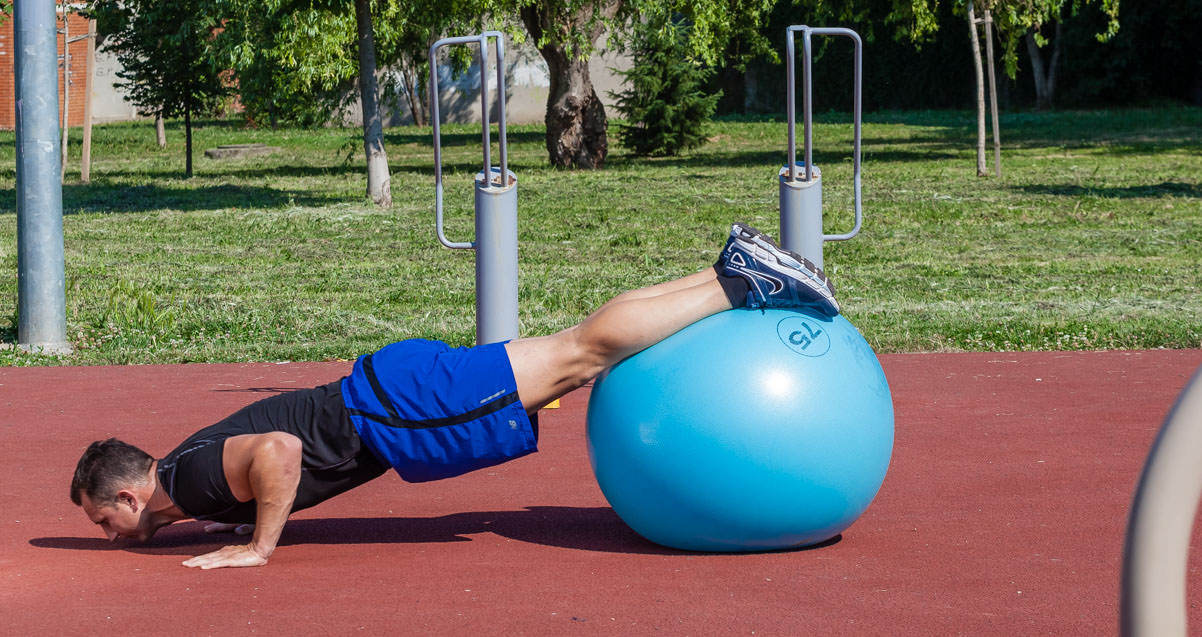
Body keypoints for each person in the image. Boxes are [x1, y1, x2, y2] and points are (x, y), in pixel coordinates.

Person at [71, 223, 837, 569]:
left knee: (579, 354)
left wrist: (258, 547)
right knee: (574, 354)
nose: (107, 534)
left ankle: (739, 280)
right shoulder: (183, 479)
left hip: (394, 407)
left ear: (131, 496)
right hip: (392, 393)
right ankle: (730, 267)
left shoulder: (189, 478)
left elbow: (279, 451)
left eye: (103, 521)